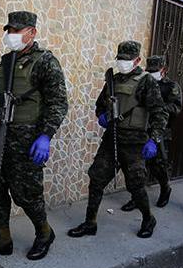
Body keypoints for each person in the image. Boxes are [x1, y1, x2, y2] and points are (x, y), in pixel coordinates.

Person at [0, 11, 68, 261]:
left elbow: (58, 102)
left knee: (27, 193)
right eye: (9, 31)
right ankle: (2, 239)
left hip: (27, 142)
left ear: (32, 32)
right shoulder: (6, 61)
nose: (11, 35)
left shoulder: (45, 61)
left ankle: (45, 233)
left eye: (16, 31)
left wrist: (46, 136)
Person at [68, 41, 167, 239]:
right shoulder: (112, 80)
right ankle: (90, 222)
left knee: (136, 185)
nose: (122, 62)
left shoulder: (147, 81)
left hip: (135, 142)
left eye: (126, 59)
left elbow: (159, 113)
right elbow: (100, 105)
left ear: (137, 60)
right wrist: (102, 115)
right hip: (112, 138)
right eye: (120, 59)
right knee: (96, 179)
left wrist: (153, 140)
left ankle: (148, 218)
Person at [121, 55, 181, 210]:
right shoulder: (143, 83)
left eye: (155, 70)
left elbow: (176, 108)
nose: (151, 73)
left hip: (160, 130)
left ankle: (165, 188)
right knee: (137, 167)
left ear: (164, 70)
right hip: (141, 129)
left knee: (158, 165)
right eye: (149, 70)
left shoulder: (171, 86)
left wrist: (156, 107)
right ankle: (136, 198)